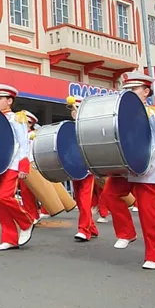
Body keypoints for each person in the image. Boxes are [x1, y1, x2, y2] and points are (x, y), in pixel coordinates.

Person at [102, 72, 155, 270]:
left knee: (149, 215)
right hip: (125, 168)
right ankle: (126, 232)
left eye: (134, 89)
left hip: (148, 168)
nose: (130, 93)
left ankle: (154, 256)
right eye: (126, 89)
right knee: (109, 195)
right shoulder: (119, 113)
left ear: (146, 91)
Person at [0, 84, 35, 251]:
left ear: (9, 100)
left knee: (4, 197)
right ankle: (9, 239)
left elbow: (24, 143)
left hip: (13, 164)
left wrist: (23, 166)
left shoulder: (17, 118)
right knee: (1, 204)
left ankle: (26, 222)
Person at [67, 96, 100, 242]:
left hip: (87, 168)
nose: (73, 113)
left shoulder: (91, 128)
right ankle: (91, 227)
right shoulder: (71, 128)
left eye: (76, 109)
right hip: (75, 169)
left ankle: (84, 230)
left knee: (85, 199)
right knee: (80, 201)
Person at [18, 111, 44, 224]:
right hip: (22, 165)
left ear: (30, 123)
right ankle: (33, 214)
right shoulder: (21, 135)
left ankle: (37, 213)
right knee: (25, 192)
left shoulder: (34, 134)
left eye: (26, 122)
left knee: (34, 191)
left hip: (31, 165)